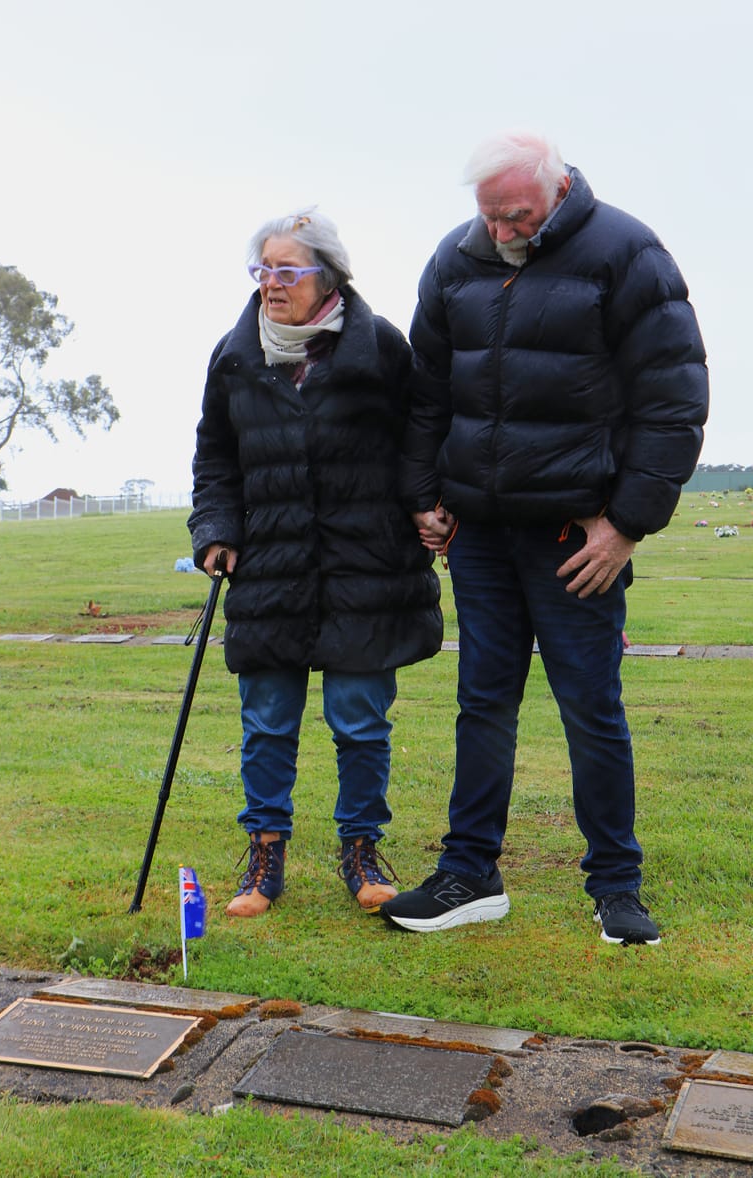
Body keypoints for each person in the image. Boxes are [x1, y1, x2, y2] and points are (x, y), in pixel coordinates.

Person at [380, 132, 709, 944]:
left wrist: (626, 524)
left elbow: (672, 400)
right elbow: (427, 392)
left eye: (516, 216)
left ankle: (616, 887)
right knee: (482, 703)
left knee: (591, 710)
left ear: (558, 190)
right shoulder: (454, 259)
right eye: (488, 215)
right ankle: (469, 875)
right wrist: (424, 497)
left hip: (576, 541)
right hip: (481, 537)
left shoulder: (628, 254)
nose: (500, 232)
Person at [188, 208, 443, 918]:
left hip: (367, 567)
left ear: (327, 278)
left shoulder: (381, 348)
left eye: (286, 270)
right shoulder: (235, 356)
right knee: (267, 721)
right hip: (271, 568)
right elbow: (215, 458)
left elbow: (421, 438)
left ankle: (361, 850)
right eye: (262, 269)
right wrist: (215, 530)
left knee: (360, 720)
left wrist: (427, 504)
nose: (270, 283)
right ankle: (265, 856)